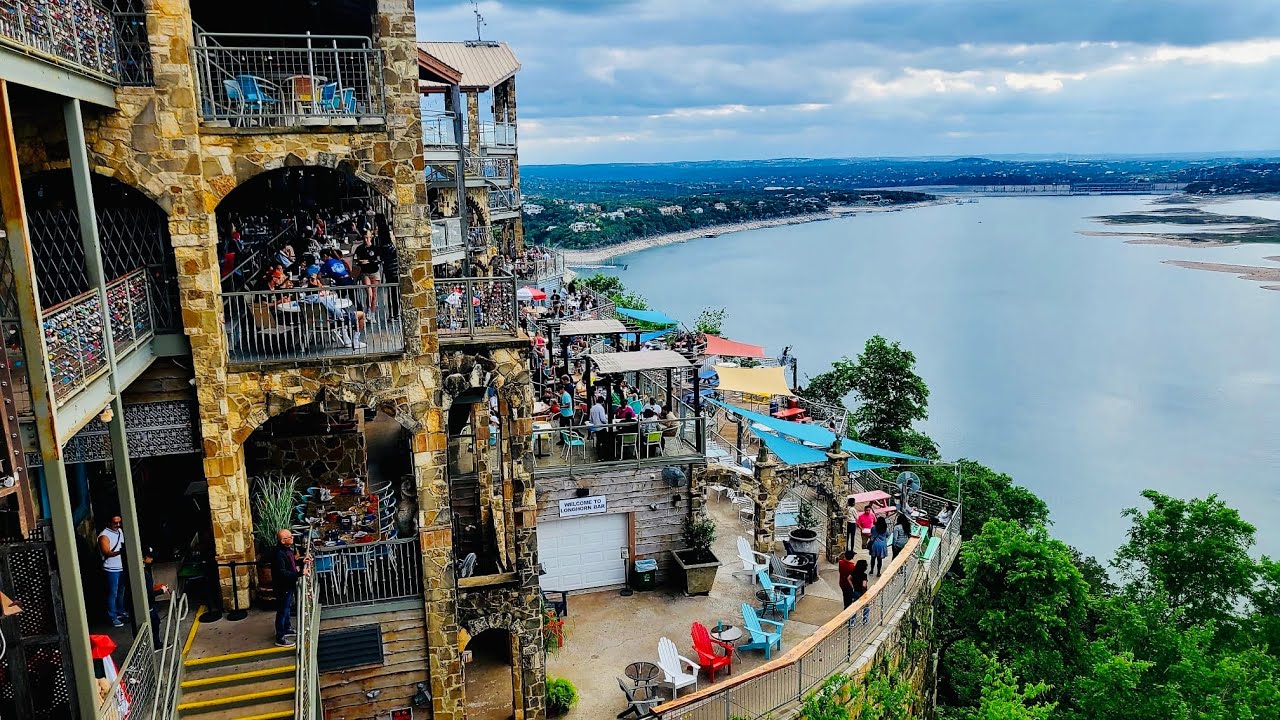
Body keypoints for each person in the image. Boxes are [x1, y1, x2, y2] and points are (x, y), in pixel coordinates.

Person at [272, 529, 310, 647]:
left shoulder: (287, 550)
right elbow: (282, 573)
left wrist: (302, 562)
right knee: (282, 611)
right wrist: (300, 573)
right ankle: (280, 637)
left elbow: (291, 563)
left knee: (287, 608)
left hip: (288, 585)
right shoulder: (279, 554)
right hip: (283, 587)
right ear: (283, 540)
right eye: (290, 537)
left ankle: (287, 628)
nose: (292, 538)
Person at [97, 516, 127, 627]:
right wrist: (122, 551)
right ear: (109, 523)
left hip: (121, 566)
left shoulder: (119, 531)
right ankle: (113, 617)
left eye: (119, 522)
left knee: (121, 591)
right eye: (115, 523)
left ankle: (120, 611)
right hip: (111, 568)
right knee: (112, 593)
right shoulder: (104, 535)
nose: (118, 525)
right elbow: (107, 552)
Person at [353, 229, 382, 314]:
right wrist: (359, 262)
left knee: (374, 294)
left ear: (371, 238)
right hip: (365, 272)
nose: (366, 240)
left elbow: (379, 260)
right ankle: (368, 309)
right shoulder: (359, 248)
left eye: (368, 238)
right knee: (369, 293)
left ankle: (372, 313)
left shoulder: (375, 248)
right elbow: (355, 260)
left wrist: (369, 261)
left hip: (374, 272)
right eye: (365, 238)